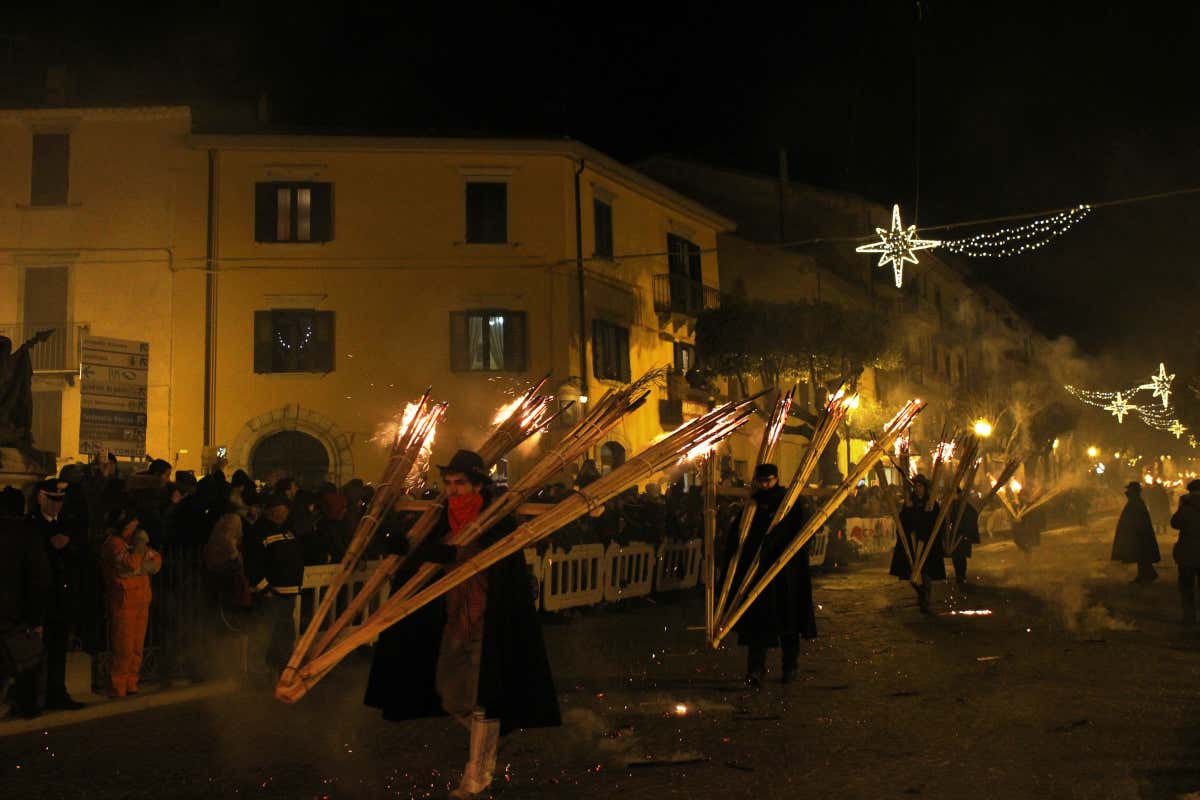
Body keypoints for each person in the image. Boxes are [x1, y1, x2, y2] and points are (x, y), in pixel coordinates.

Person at [365, 450, 560, 799]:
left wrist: (453, 554)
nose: (452, 489)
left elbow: (494, 558)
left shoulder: (495, 518)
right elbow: (423, 551)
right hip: (451, 616)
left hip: (487, 617)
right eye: (449, 483)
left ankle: (476, 777)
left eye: (460, 483)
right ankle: (492, 732)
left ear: (478, 485)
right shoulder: (440, 517)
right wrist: (405, 547)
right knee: (450, 693)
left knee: (481, 695)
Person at [720, 463, 817, 687]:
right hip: (756, 571)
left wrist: (777, 542)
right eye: (761, 481)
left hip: (784, 572)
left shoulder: (788, 502)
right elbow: (739, 533)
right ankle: (756, 669)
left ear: (776, 479)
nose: (765, 485)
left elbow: (799, 530)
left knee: (788, 620)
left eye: (768, 481)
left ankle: (790, 666)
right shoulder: (752, 503)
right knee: (758, 623)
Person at [26, 478, 87, 710]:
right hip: (40, 598)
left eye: (60, 500)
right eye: (52, 499)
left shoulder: (66, 524)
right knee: (33, 653)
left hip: (61, 598)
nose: (57, 505)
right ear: (41, 498)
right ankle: (31, 699)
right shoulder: (32, 525)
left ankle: (56, 693)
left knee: (58, 649)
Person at [1, 486, 52, 719]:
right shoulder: (27, 534)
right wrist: (36, 618)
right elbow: (38, 578)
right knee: (26, 660)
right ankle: (26, 705)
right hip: (17, 613)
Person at [100, 507, 162, 697]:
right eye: (133, 524)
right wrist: (140, 555)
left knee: (136, 647)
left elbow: (157, 563)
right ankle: (117, 686)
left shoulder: (133, 544)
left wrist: (136, 567)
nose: (136, 527)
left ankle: (131, 683)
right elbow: (131, 564)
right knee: (123, 647)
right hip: (124, 602)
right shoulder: (114, 544)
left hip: (140, 600)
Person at [243, 494, 305, 680]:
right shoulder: (259, 532)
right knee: (264, 631)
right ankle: (258, 670)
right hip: (271, 593)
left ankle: (283, 666)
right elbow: (252, 563)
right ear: (272, 510)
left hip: (287, 592)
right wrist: (264, 588)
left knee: (284, 632)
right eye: (281, 507)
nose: (285, 512)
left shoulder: (287, 530)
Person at [889, 474, 945, 613]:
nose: (917, 489)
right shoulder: (910, 503)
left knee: (926, 574)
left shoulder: (931, 503)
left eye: (920, 486)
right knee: (912, 575)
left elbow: (938, 523)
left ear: (925, 488)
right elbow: (903, 521)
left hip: (927, 544)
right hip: (912, 544)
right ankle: (921, 594)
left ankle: (925, 600)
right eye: (916, 486)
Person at [1111, 482, 1160, 584]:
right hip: (1138, 534)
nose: (1127, 492)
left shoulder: (1136, 503)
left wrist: (1132, 532)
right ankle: (1145, 574)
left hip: (1138, 534)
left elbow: (1136, 520)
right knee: (1141, 556)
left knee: (1141, 555)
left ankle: (1147, 575)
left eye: (1129, 490)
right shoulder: (1136, 501)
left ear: (1133, 491)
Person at [1169, 479, 1200, 624]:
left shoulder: (1186, 507)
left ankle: (1189, 616)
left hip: (1188, 552)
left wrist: (1181, 507)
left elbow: (1175, 523)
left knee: (1187, 587)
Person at [944, 488, 981, 584]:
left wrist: (964, 529)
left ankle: (961, 575)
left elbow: (972, 515)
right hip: (955, 535)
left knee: (961, 556)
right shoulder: (952, 505)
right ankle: (959, 575)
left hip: (963, 534)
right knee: (956, 556)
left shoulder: (964, 505)